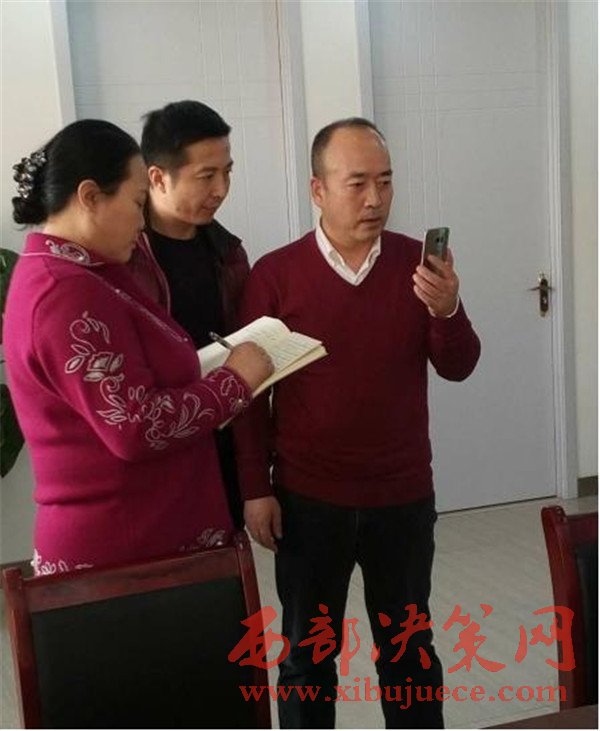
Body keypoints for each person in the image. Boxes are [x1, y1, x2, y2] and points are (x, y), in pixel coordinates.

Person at [234, 118, 481, 728]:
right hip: (308, 498)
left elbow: (458, 366)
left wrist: (448, 308)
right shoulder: (275, 274)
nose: (375, 199)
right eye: (358, 183)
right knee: (308, 657)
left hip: (402, 496)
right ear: (318, 190)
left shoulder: (417, 266)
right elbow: (248, 397)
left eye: (386, 182)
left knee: (408, 652)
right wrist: (256, 488)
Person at [4, 119, 273, 575]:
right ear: (90, 197)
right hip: (123, 554)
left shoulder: (90, 272)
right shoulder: (64, 292)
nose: (143, 220)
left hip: (149, 536)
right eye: (136, 202)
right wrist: (234, 382)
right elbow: (134, 426)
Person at [128, 100, 249, 528]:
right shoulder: (124, 257)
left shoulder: (228, 253)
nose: (221, 189)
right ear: (157, 177)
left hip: (221, 440)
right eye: (206, 176)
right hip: (155, 449)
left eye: (227, 172)